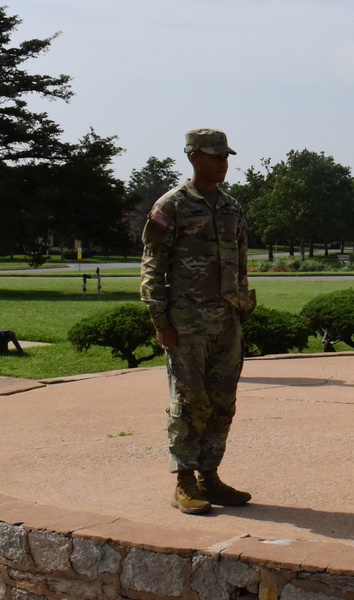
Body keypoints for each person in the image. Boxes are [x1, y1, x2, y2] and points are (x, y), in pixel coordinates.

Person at [140, 128, 256, 515]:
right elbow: (153, 265)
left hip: (226, 322)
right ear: (193, 157)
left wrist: (239, 311)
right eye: (214, 156)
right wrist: (161, 319)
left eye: (226, 156)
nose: (223, 163)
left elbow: (240, 264)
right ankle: (184, 482)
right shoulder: (171, 205)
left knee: (223, 402)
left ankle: (211, 476)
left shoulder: (231, 207)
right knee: (190, 403)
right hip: (186, 324)